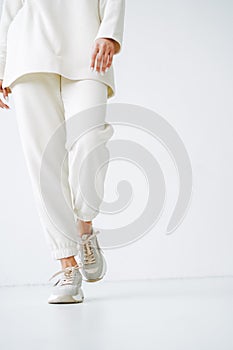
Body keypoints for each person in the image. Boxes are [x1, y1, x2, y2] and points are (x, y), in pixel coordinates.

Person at [0, 0, 125, 304]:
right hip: (28, 54)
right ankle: (66, 264)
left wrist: (109, 32)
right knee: (44, 162)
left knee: (90, 139)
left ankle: (84, 225)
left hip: (88, 50)